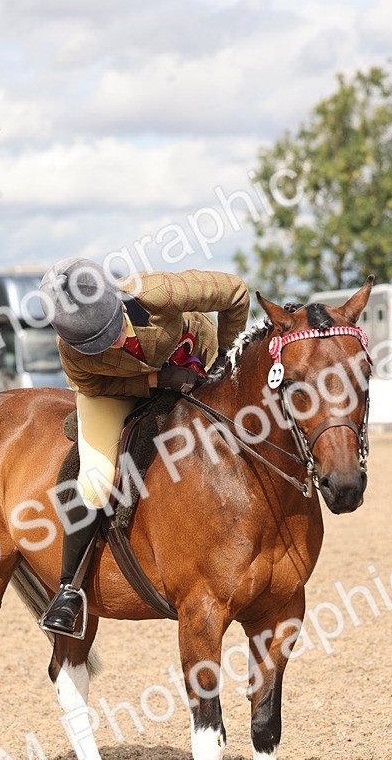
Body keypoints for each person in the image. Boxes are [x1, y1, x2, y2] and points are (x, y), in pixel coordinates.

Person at [38, 258, 250, 636]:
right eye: (99, 343)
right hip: (114, 393)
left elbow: (234, 293)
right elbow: (95, 387)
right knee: (94, 481)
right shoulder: (72, 351)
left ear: (118, 304)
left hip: (198, 361)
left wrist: (227, 360)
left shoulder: (158, 293)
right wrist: (153, 380)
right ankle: (69, 590)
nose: (115, 342)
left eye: (113, 330)